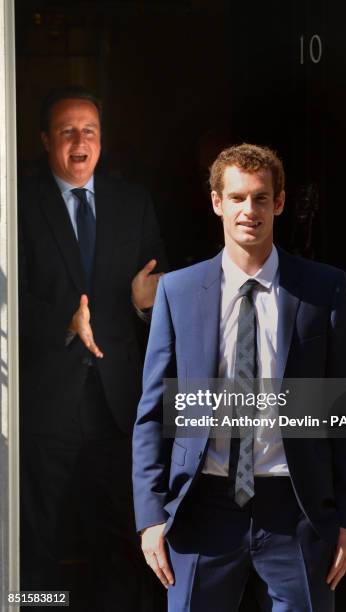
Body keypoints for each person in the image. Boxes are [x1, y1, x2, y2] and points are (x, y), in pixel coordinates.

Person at [132, 143, 346, 611]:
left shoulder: (324, 288)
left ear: (279, 203)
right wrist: (150, 516)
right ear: (217, 202)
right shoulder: (178, 292)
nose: (249, 210)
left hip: (295, 508)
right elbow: (152, 413)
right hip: (203, 505)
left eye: (261, 198)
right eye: (237, 198)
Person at [19, 86, 167, 611]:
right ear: (44, 141)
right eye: (67, 132)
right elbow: (5, 293)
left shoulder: (133, 203)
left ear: (101, 142)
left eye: (90, 132)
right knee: (36, 537)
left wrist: (143, 306)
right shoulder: (16, 202)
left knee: (122, 537)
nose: (80, 142)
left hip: (116, 404)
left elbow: (154, 301)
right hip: (46, 401)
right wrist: (62, 321)